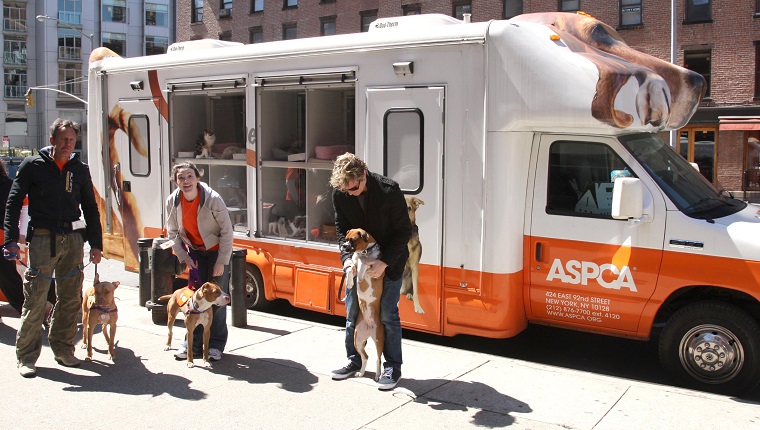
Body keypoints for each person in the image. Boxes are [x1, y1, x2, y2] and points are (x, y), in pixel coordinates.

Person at [3, 118, 103, 378]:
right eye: (63, 139)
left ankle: (63, 349)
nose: (67, 144)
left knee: (70, 298)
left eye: (71, 140)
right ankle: (26, 356)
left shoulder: (80, 169)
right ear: (52, 140)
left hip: (72, 239)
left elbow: (91, 209)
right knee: (35, 297)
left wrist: (97, 245)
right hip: (43, 238)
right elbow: (14, 202)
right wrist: (10, 240)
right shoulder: (32, 165)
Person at [329, 153, 412, 390]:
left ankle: (392, 367)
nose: (351, 193)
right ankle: (354, 359)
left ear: (363, 175)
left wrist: (384, 262)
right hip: (357, 263)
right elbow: (341, 230)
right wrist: (347, 260)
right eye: (346, 190)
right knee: (352, 313)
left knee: (387, 315)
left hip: (390, 262)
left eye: (354, 188)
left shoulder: (389, 190)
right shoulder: (341, 192)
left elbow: (404, 231)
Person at [165, 161, 233, 362]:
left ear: (197, 178)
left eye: (189, 176)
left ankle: (215, 345)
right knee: (195, 298)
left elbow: (227, 232)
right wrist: (183, 256)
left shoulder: (213, 199)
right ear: (175, 181)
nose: (185, 181)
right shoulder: (173, 201)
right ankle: (191, 346)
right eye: (181, 178)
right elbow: (172, 232)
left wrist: (221, 261)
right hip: (194, 251)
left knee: (217, 299)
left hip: (216, 251)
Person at [0, 160, 56, 322]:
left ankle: (36, 312)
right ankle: (39, 309)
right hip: (14, 236)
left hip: (10, 238)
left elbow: (24, 205)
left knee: (22, 277)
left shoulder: (7, 185)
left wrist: (22, 232)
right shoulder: (9, 185)